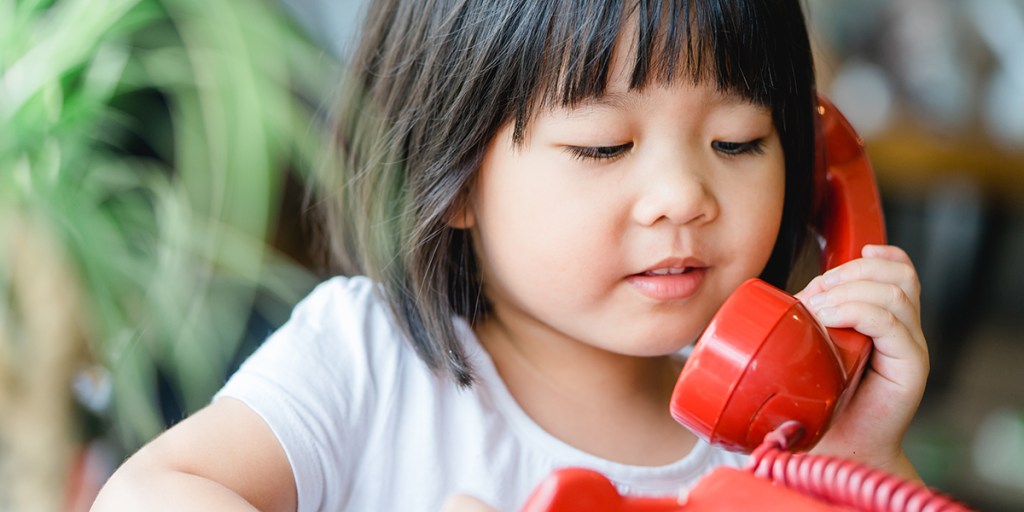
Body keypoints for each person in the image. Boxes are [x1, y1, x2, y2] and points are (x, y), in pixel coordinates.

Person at [91, 0, 930, 510]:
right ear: (450, 172)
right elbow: (140, 497)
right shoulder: (366, 363)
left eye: (739, 141)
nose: (684, 194)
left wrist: (860, 465)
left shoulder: (775, 438)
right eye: (604, 146)